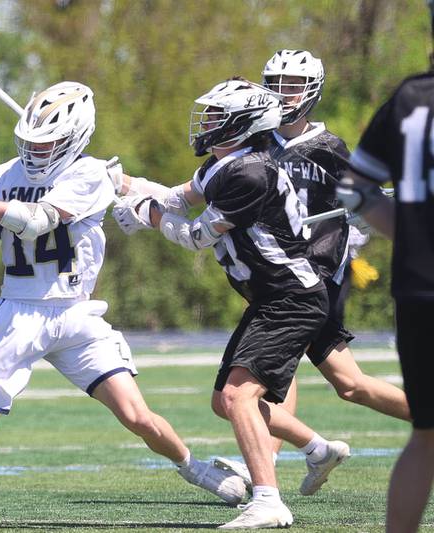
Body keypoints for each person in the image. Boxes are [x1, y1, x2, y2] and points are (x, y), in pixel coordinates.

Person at [0, 81, 247, 529]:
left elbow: (38, 221)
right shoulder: (5, 175)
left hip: (77, 314)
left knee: (137, 416)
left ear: (75, 138)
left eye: (49, 143)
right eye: (32, 143)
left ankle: (196, 469)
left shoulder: (90, 174)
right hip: (19, 315)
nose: (37, 153)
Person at [112, 78, 348, 529]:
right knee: (226, 401)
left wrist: (148, 216)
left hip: (292, 297)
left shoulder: (250, 173)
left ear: (244, 125)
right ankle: (318, 450)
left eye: (218, 116)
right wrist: (119, 182)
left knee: (241, 396)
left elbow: (195, 235)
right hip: (270, 298)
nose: (208, 123)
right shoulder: (223, 165)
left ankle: (268, 501)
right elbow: (179, 197)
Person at [212, 50, 409, 489]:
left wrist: (361, 208)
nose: (282, 94)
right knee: (350, 384)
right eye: (274, 84)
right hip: (277, 274)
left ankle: (266, 464)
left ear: (312, 92)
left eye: (292, 85)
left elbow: (368, 200)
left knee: (274, 373)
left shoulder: (329, 148)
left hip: (313, 274)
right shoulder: (255, 143)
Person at [337, 6, 434, 528]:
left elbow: (352, 187)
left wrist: (411, 234)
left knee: (426, 434)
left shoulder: (410, 97)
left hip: (418, 287)